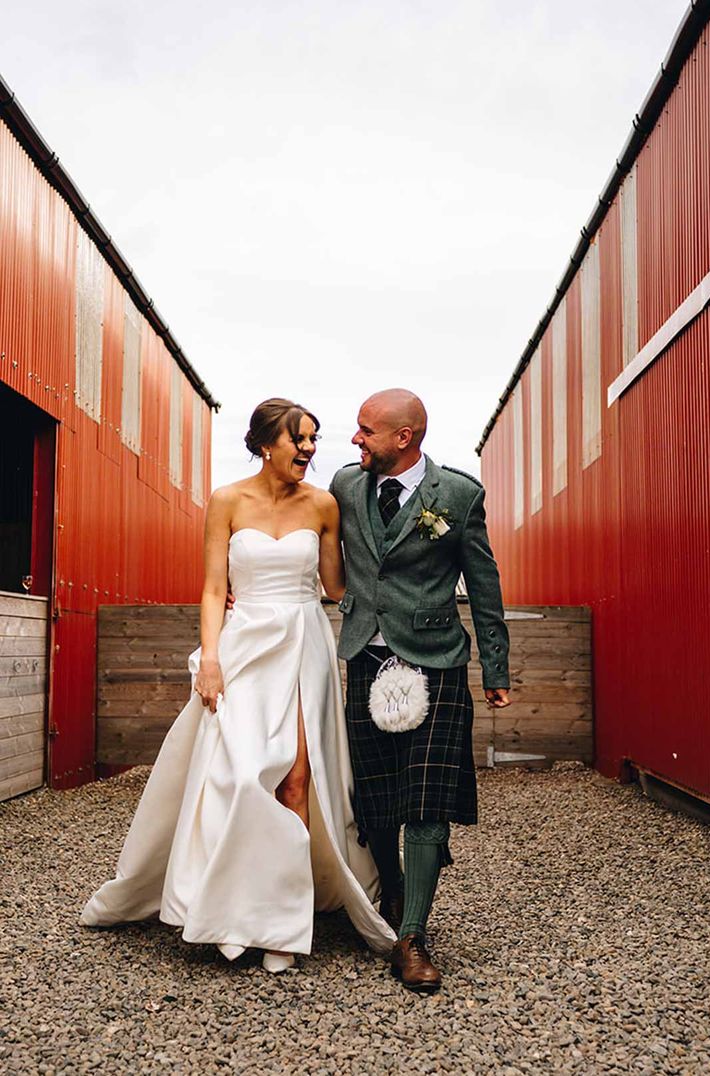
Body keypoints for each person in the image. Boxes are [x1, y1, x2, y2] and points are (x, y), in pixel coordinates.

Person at [80, 398, 395, 973]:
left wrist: (383, 550)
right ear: (264, 444)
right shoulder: (226, 500)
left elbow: (334, 587)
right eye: (299, 438)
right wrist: (212, 659)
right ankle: (233, 905)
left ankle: (282, 922)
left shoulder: (323, 504)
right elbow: (210, 588)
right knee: (241, 774)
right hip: (244, 645)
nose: (308, 449)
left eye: (314, 439)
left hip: (304, 645)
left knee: (299, 780)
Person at [329, 388, 510, 993]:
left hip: (436, 662)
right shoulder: (345, 488)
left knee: (427, 801)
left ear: (403, 438)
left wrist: (497, 671)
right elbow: (312, 546)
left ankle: (412, 936)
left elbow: (484, 587)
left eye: (365, 430)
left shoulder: (459, 495)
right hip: (364, 659)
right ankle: (399, 889)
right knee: (376, 800)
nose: (355, 439)